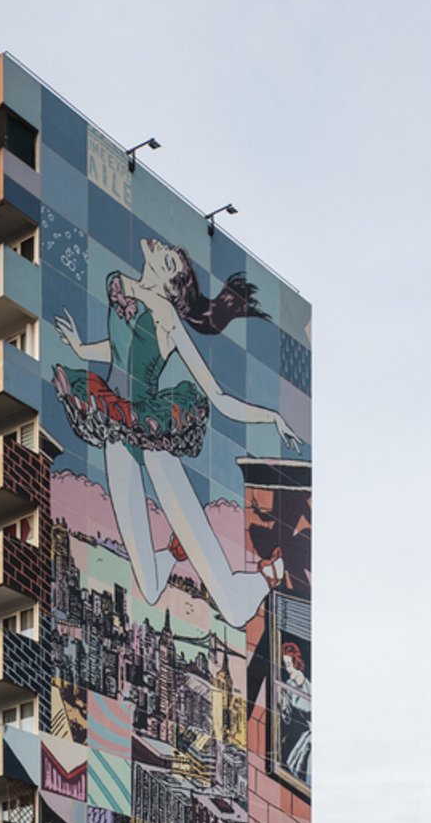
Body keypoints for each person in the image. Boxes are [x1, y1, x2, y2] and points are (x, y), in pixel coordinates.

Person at [53, 237, 303, 629]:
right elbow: (119, 348)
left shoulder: (165, 314)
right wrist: (82, 350)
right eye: (168, 252)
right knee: (149, 586)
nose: (160, 247)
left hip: (152, 429)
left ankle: (260, 581)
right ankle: (173, 552)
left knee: (227, 599)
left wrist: (271, 417)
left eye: (170, 259)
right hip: (116, 426)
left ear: (170, 283)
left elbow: (217, 395)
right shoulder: (121, 286)